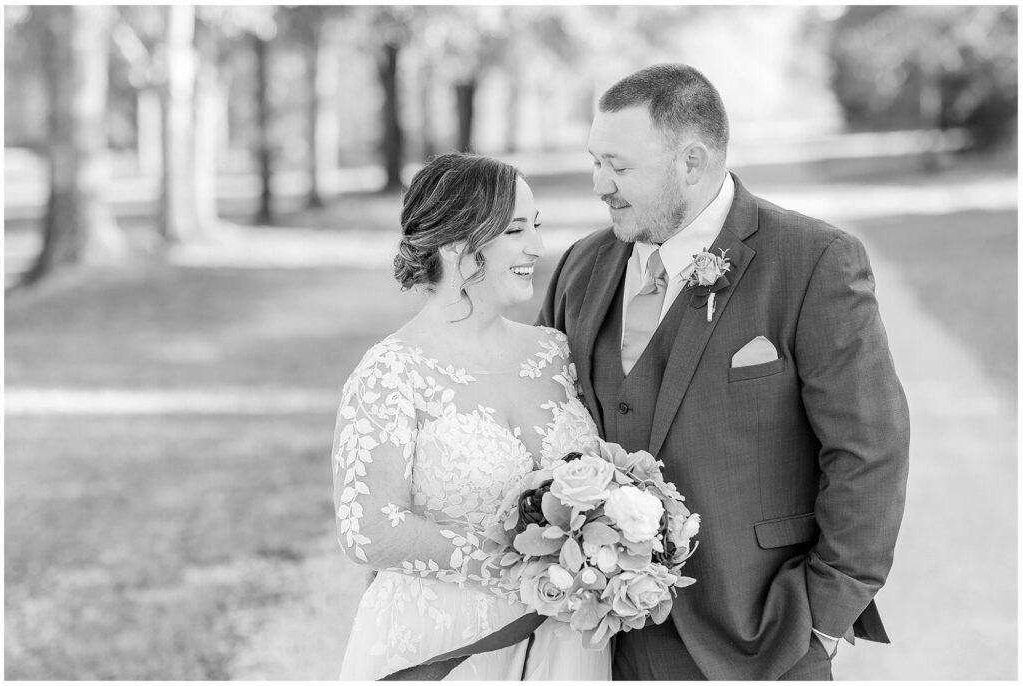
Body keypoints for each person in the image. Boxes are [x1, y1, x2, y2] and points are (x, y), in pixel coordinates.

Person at [538, 63, 910, 680]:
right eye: (595, 161)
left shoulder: (814, 262)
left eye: (620, 166)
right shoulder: (582, 267)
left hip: (759, 633)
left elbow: (869, 448)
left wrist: (823, 612)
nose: (599, 184)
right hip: (597, 646)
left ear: (691, 162)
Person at [332, 152, 611, 680]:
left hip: (567, 645)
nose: (537, 247)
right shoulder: (391, 372)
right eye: (516, 230)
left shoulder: (556, 354)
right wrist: (524, 568)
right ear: (458, 242)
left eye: (537, 227)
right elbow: (366, 530)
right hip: (446, 643)